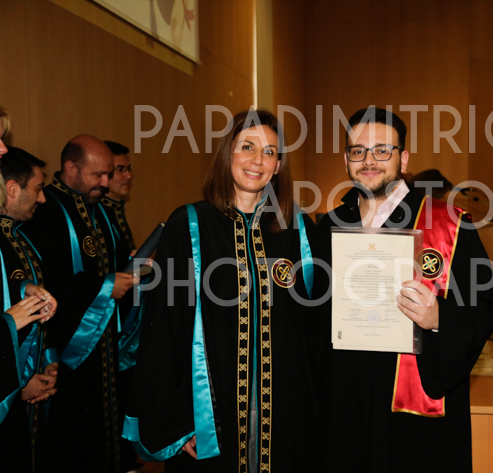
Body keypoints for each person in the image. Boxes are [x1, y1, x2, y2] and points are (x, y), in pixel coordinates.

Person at [314, 107, 493, 473]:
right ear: (346, 159)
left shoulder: (447, 223)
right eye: (358, 151)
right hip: (345, 404)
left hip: (412, 415)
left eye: (382, 150)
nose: (369, 161)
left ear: (403, 159)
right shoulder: (329, 229)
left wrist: (440, 318)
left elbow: (488, 302)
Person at [124, 110, 317, 471]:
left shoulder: (298, 232)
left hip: (285, 417)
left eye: (270, 152)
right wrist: (180, 423)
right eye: (247, 147)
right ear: (228, 153)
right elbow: (164, 330)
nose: (257, 160)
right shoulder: (189, 225)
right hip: (210, 414)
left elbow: (314, 330)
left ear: (278, 166)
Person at [21, 135, 139, 473]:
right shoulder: (45, 209)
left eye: (108, 175)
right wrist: (106, 286)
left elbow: (110, 265)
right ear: (71, 168)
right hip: (66, 346)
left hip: (104, 344)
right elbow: (47, 279)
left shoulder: (99, 209)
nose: (105, 183)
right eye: (97, 175)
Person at [0, 147, 59, 471]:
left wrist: (48, 362)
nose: (42, 198)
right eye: (37, 189)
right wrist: (19, 384)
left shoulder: (21, 236)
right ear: (12, 189)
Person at [102, 140, 140, 472]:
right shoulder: (100, 212)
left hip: (124, 326)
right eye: (119, 170)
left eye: (128, 169)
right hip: (106, 328)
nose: (127, 176)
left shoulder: (116, 211)